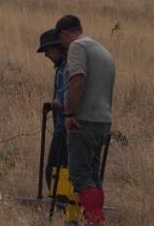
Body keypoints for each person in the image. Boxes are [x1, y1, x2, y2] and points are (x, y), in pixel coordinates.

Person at [56, 15, 115, 226]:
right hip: (103, 121)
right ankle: (97, 218)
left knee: (80, 175)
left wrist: (69, 114)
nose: (62, 45)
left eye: (60, 40)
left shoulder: (77, 47)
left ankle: (95, 221)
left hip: (83, 121)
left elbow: (77, 81)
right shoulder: (102, 50)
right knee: (93, 176)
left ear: (64, 33)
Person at [37, 29, 68, 190]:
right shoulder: (61, 67)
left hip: (65, 128)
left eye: (47, 50)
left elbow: (65, 97)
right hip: (62, 126)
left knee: (57, 169)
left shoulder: (68, 67)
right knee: (59, 169)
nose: (46, 55)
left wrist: (55, 104)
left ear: (57, 48)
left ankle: (62, 205)